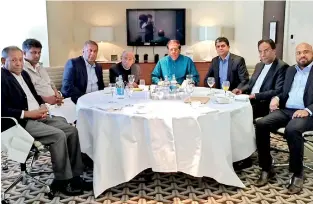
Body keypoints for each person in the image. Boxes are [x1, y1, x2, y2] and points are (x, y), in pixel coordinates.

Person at [1, 46, 91, 196]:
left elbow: (33, 95)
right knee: (58, 135)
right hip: (21, 123)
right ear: (3, 61)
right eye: (13, 60)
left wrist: (42, 106)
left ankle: (75, 176)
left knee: (72, 130)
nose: (18, 63)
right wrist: (30, 113)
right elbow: (3, 110)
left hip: (39, 116)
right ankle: (63, 180)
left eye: (20, 60)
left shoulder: (23, 74)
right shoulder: (2, 79)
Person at [255, 43, 313, 194]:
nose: (302, 55)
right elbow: (283, 92)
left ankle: (297, 173)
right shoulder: (291, 70)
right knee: (261, 123)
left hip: (307, 112)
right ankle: (266, 167)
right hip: (287, 110)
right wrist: (276, 98)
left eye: (306, 52)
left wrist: (307, 110)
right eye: (299, 53)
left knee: (292, 129)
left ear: (312, 53)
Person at [232, 39, 289, 119]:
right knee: (229, 107)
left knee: (236, 114)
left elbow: (278, 91)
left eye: (266, 51)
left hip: (264, 103)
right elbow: (250, 84)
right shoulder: (259, 65)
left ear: (274, 51)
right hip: (249, 100)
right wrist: (241, 90)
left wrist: (255, 96)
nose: (263, 54)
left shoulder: (282, 67)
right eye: (260, 51)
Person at [22, 38, 63, 105]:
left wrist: (57, 93)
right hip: (40, 104)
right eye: (34, 52)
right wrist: (46, 99)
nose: (37, 56)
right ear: (24, 53)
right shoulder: (22, 70)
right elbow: (27, 93)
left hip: (55, 102)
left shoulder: (40, 66)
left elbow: (50, 83)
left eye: (39, 52)